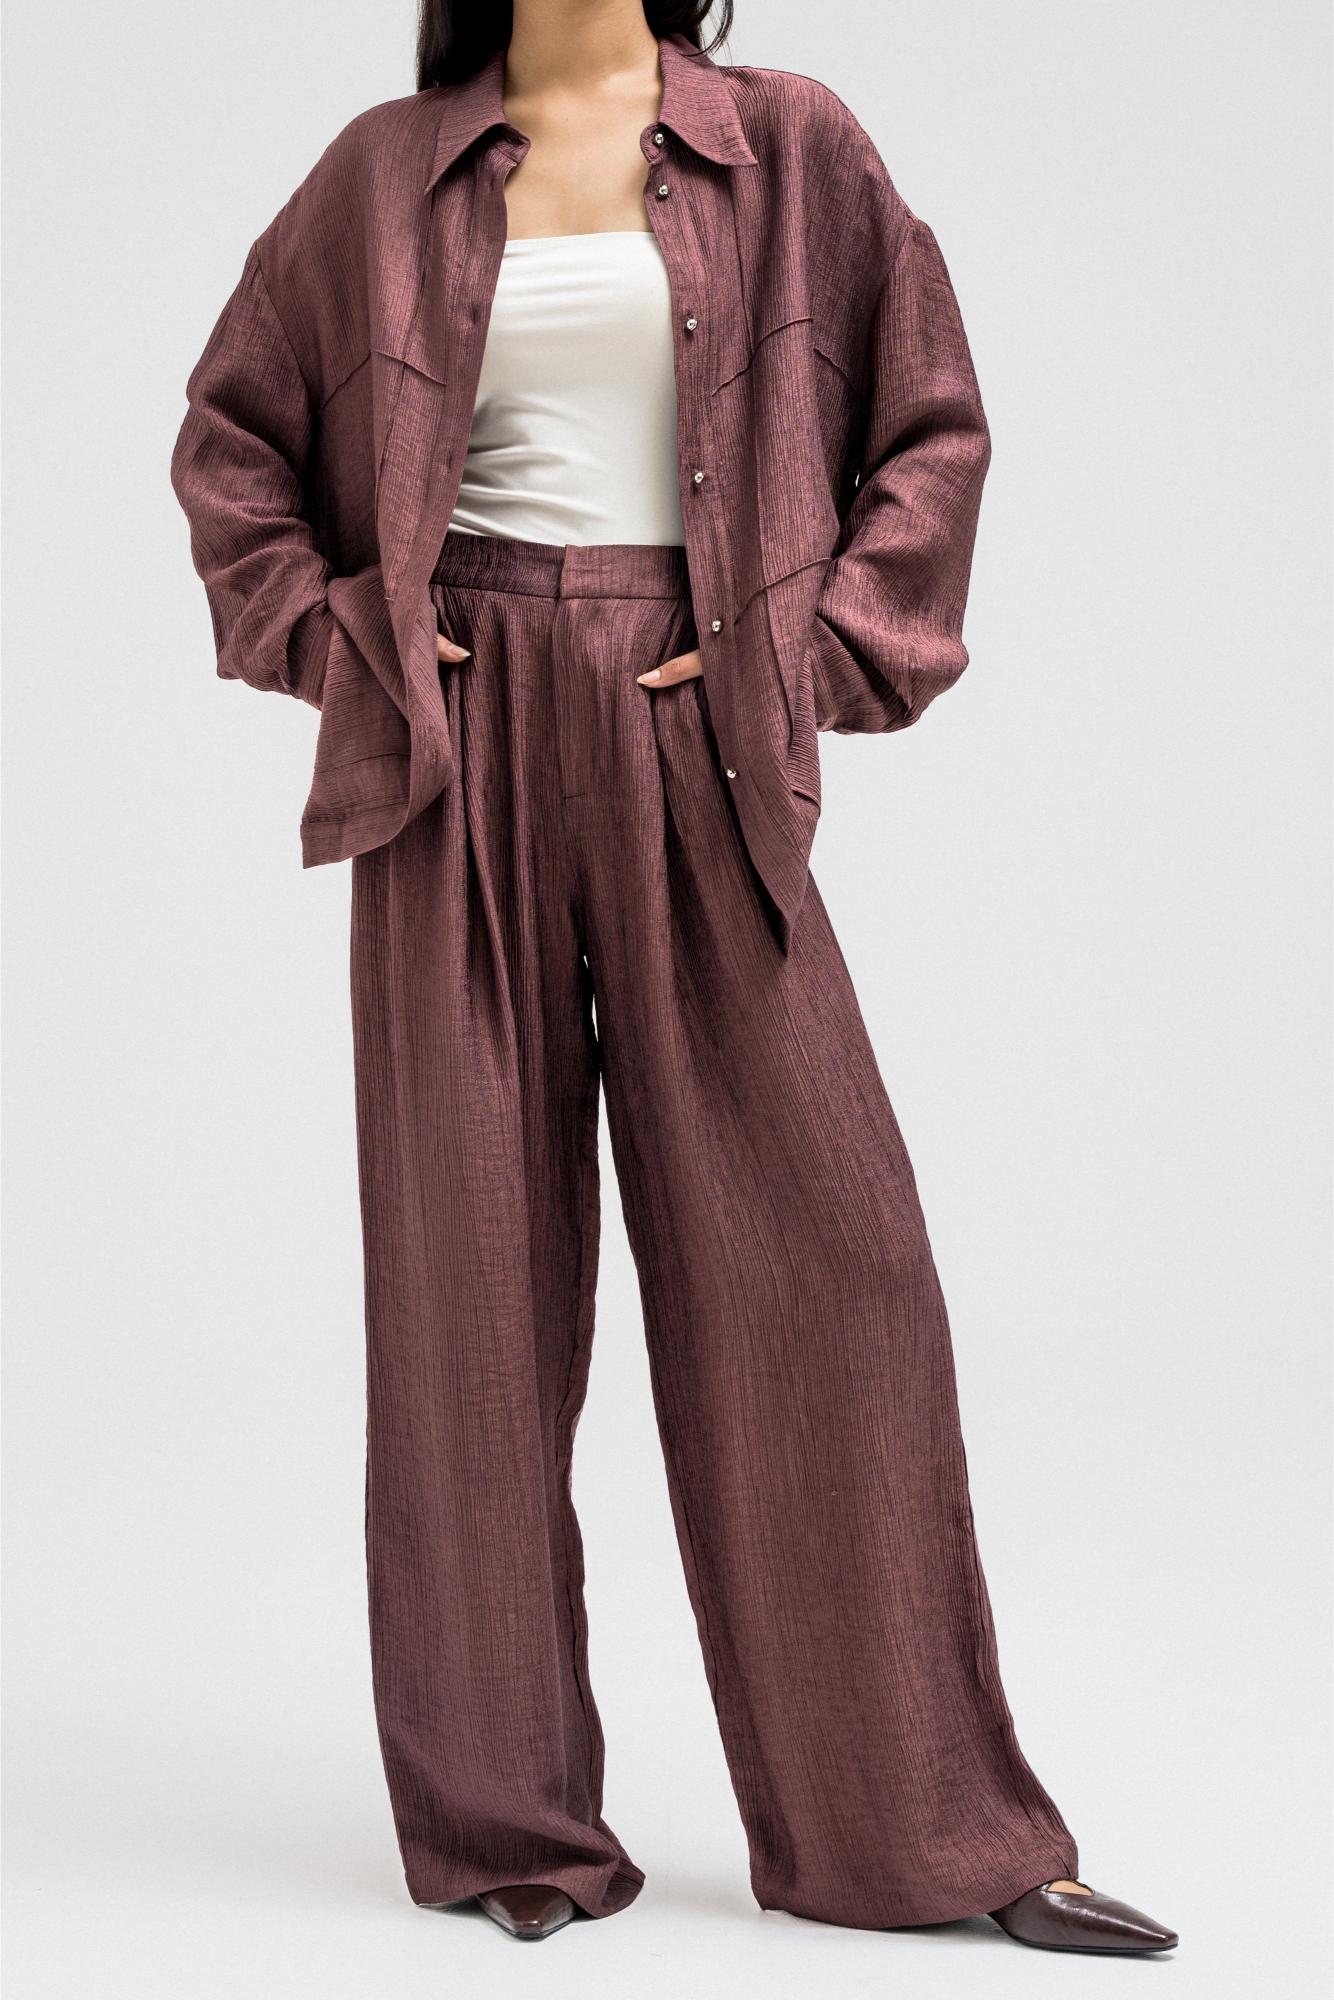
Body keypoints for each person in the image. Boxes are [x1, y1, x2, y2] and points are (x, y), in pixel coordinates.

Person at [170, 0, 1178, 1956]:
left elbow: (930, 431)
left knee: (833, 1265)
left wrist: (802, 654)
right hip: (455, 741)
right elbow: (232, 444)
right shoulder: (382, 175)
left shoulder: (788, 146)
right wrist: (352, 638)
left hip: (692, 720)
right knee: (470, 1288)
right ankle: (505, 1824)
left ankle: (924, 1832)